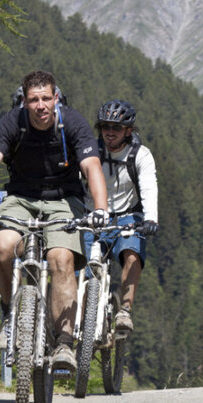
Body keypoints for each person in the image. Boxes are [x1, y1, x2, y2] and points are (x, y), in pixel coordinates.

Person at [0, 70, 109, 372]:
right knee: (2, 245)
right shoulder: (12, 123)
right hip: (21, 198)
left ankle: (65, 342)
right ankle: (8, 312)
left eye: (45, 98)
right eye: (33, 100)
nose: (40, 105)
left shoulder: (74, 124)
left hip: (65, 199)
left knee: (60, 258)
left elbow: (92, 168)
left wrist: (101, 209)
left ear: (56, 99)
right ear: (24, 103)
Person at [84, 99, 159, 333]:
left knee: (132, 253)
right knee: (80, 266)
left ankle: (124, 310)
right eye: (105, 127)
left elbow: (148, 187)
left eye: (116, 128)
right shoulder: (91, 151)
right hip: (93, 214)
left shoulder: (140, 155)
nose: (109, 132)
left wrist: (151, 218)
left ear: (128, 130)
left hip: (127, 214)